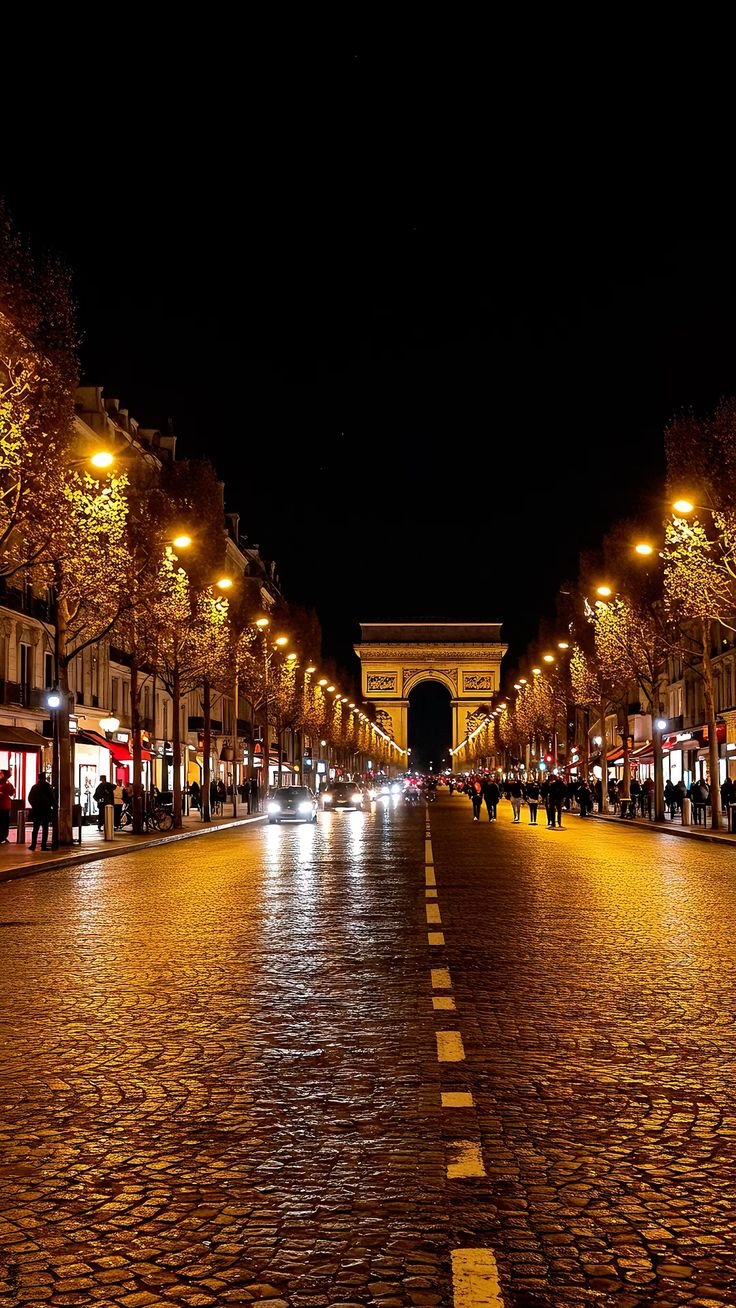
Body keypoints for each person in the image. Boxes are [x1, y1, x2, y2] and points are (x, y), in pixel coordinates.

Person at [28, 774, 55, 851]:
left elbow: (30, 798)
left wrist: (34, 805)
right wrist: (51, 805)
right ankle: (43, 845)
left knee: (35, 828)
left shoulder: (35, 787)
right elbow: (52, 798)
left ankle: (33, 845)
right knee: (45, 828)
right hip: (45, 810)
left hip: (36, 810)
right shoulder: (47, 787)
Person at [0, 769, 15, 843]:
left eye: (1, 773)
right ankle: (2, 836)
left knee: (4, 822)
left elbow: (12, 792)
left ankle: (3, 836)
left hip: (4, 805)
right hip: (4, 805)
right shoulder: (6, 783)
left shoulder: (7, 783)